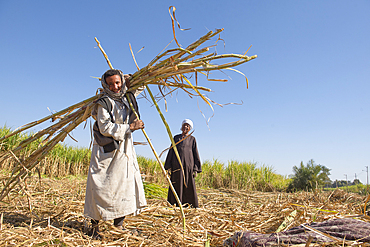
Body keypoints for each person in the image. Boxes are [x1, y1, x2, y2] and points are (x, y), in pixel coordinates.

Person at [84, 69, 146, 239]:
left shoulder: (127, 97)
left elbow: (141, 86)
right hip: (105, 151)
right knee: (99, 188)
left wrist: (133, 78)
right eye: (111, 84)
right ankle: (93, 227)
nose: (115, 87)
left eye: (118, 83)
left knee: (123, 187)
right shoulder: (103, 102)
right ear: (105, 85)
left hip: (123, 150)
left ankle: (118, 226)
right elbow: (105, 127)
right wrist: (130, 127)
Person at [164, 119, 202, 208]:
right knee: (176, 185)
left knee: (189, 186)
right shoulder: (176, 138)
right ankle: (175, 204)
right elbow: (171, 151)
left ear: (190, 129)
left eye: (187, 126)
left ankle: (190, 205)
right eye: (184, 125)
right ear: (181, 127)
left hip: (188, 168)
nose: (185, 127)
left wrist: (195, 169)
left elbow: (195, 154)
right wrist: (168, 166)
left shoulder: (192, 139)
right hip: (176, 167)